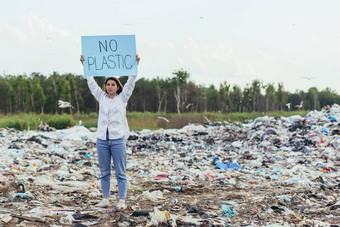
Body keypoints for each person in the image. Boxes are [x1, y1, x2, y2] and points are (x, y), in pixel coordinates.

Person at [80, 54, 140, 209]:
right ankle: (105, 198)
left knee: (120, 171)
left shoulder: (122, 98)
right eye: (108, 84)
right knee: (104, 171)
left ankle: (122, 200)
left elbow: (131, 82)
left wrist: (135, 64)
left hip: (117, 139)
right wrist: (85, 65)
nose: (110, 87)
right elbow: (91, 83)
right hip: (102, 139)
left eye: (113, 84)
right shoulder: (101, 97)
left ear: (117, 86)